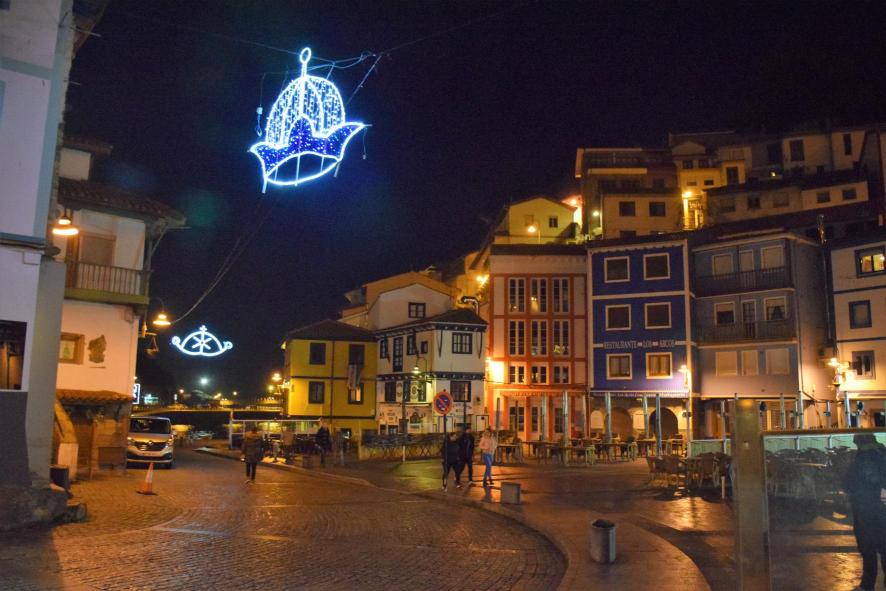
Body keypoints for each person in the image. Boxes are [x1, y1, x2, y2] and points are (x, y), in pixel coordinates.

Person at [845, 433, 886, 591]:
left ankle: (867, 585)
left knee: (868, 551)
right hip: (882, 511)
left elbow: (848, 484)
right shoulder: (883, 454)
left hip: (865, 511)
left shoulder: (860, 459)